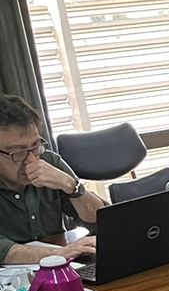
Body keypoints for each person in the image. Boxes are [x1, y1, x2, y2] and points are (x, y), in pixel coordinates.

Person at [0, 94, 106, 265]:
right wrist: (60, 253)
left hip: (60, 268)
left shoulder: (49, 161)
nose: (31, 160)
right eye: (18, 152)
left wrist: (71, 185)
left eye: (35, 146)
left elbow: (100, 219)